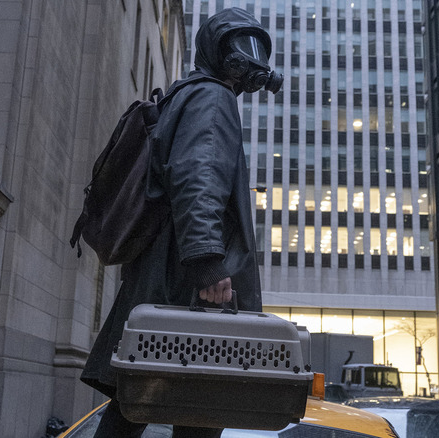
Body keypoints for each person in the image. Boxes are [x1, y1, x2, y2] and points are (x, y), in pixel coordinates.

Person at [80, 7, 283, 437]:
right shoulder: (213, 97)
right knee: (198, 407)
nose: (244, 63)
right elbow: (199, 174)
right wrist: (208, 261)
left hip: (166, 275)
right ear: (215, 52)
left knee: (139, 400)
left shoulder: (185, 94)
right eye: (236, 51)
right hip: (190, 284)